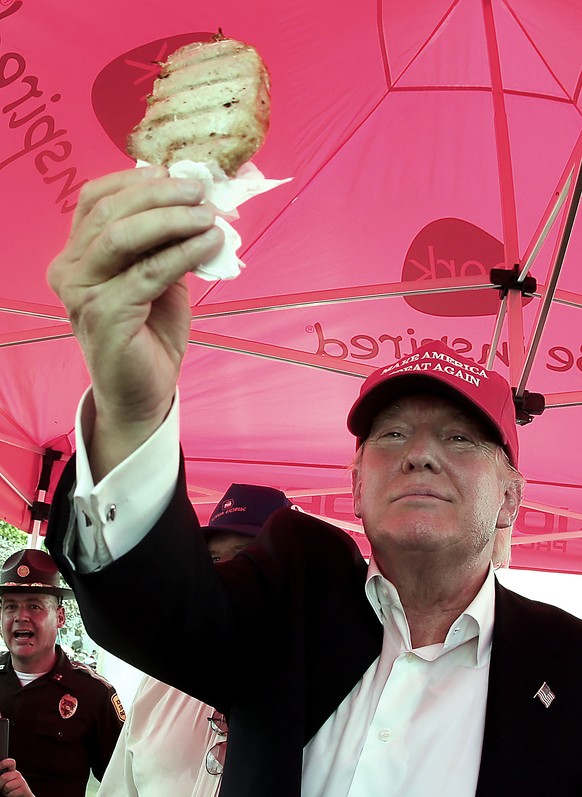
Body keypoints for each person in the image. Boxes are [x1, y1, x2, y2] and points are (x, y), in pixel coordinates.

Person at [44, 167, 582, 796]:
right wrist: (131, 411)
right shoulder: (295, 593)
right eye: (392, 435)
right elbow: (151, 609)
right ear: (355, 485)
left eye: (459, 438)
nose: (420, 456)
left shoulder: (567, 662)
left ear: (510, 498)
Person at [97, 483, 294, 797]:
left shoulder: (321, 691)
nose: (226, 573)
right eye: (213, 559)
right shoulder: (160, 683)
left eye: (246, 556)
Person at [0, 549, 125, 797]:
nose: (20, 617)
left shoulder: (94, 694)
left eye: (34, 606)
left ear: (60, 617)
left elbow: (122, 784)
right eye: (10, 606)